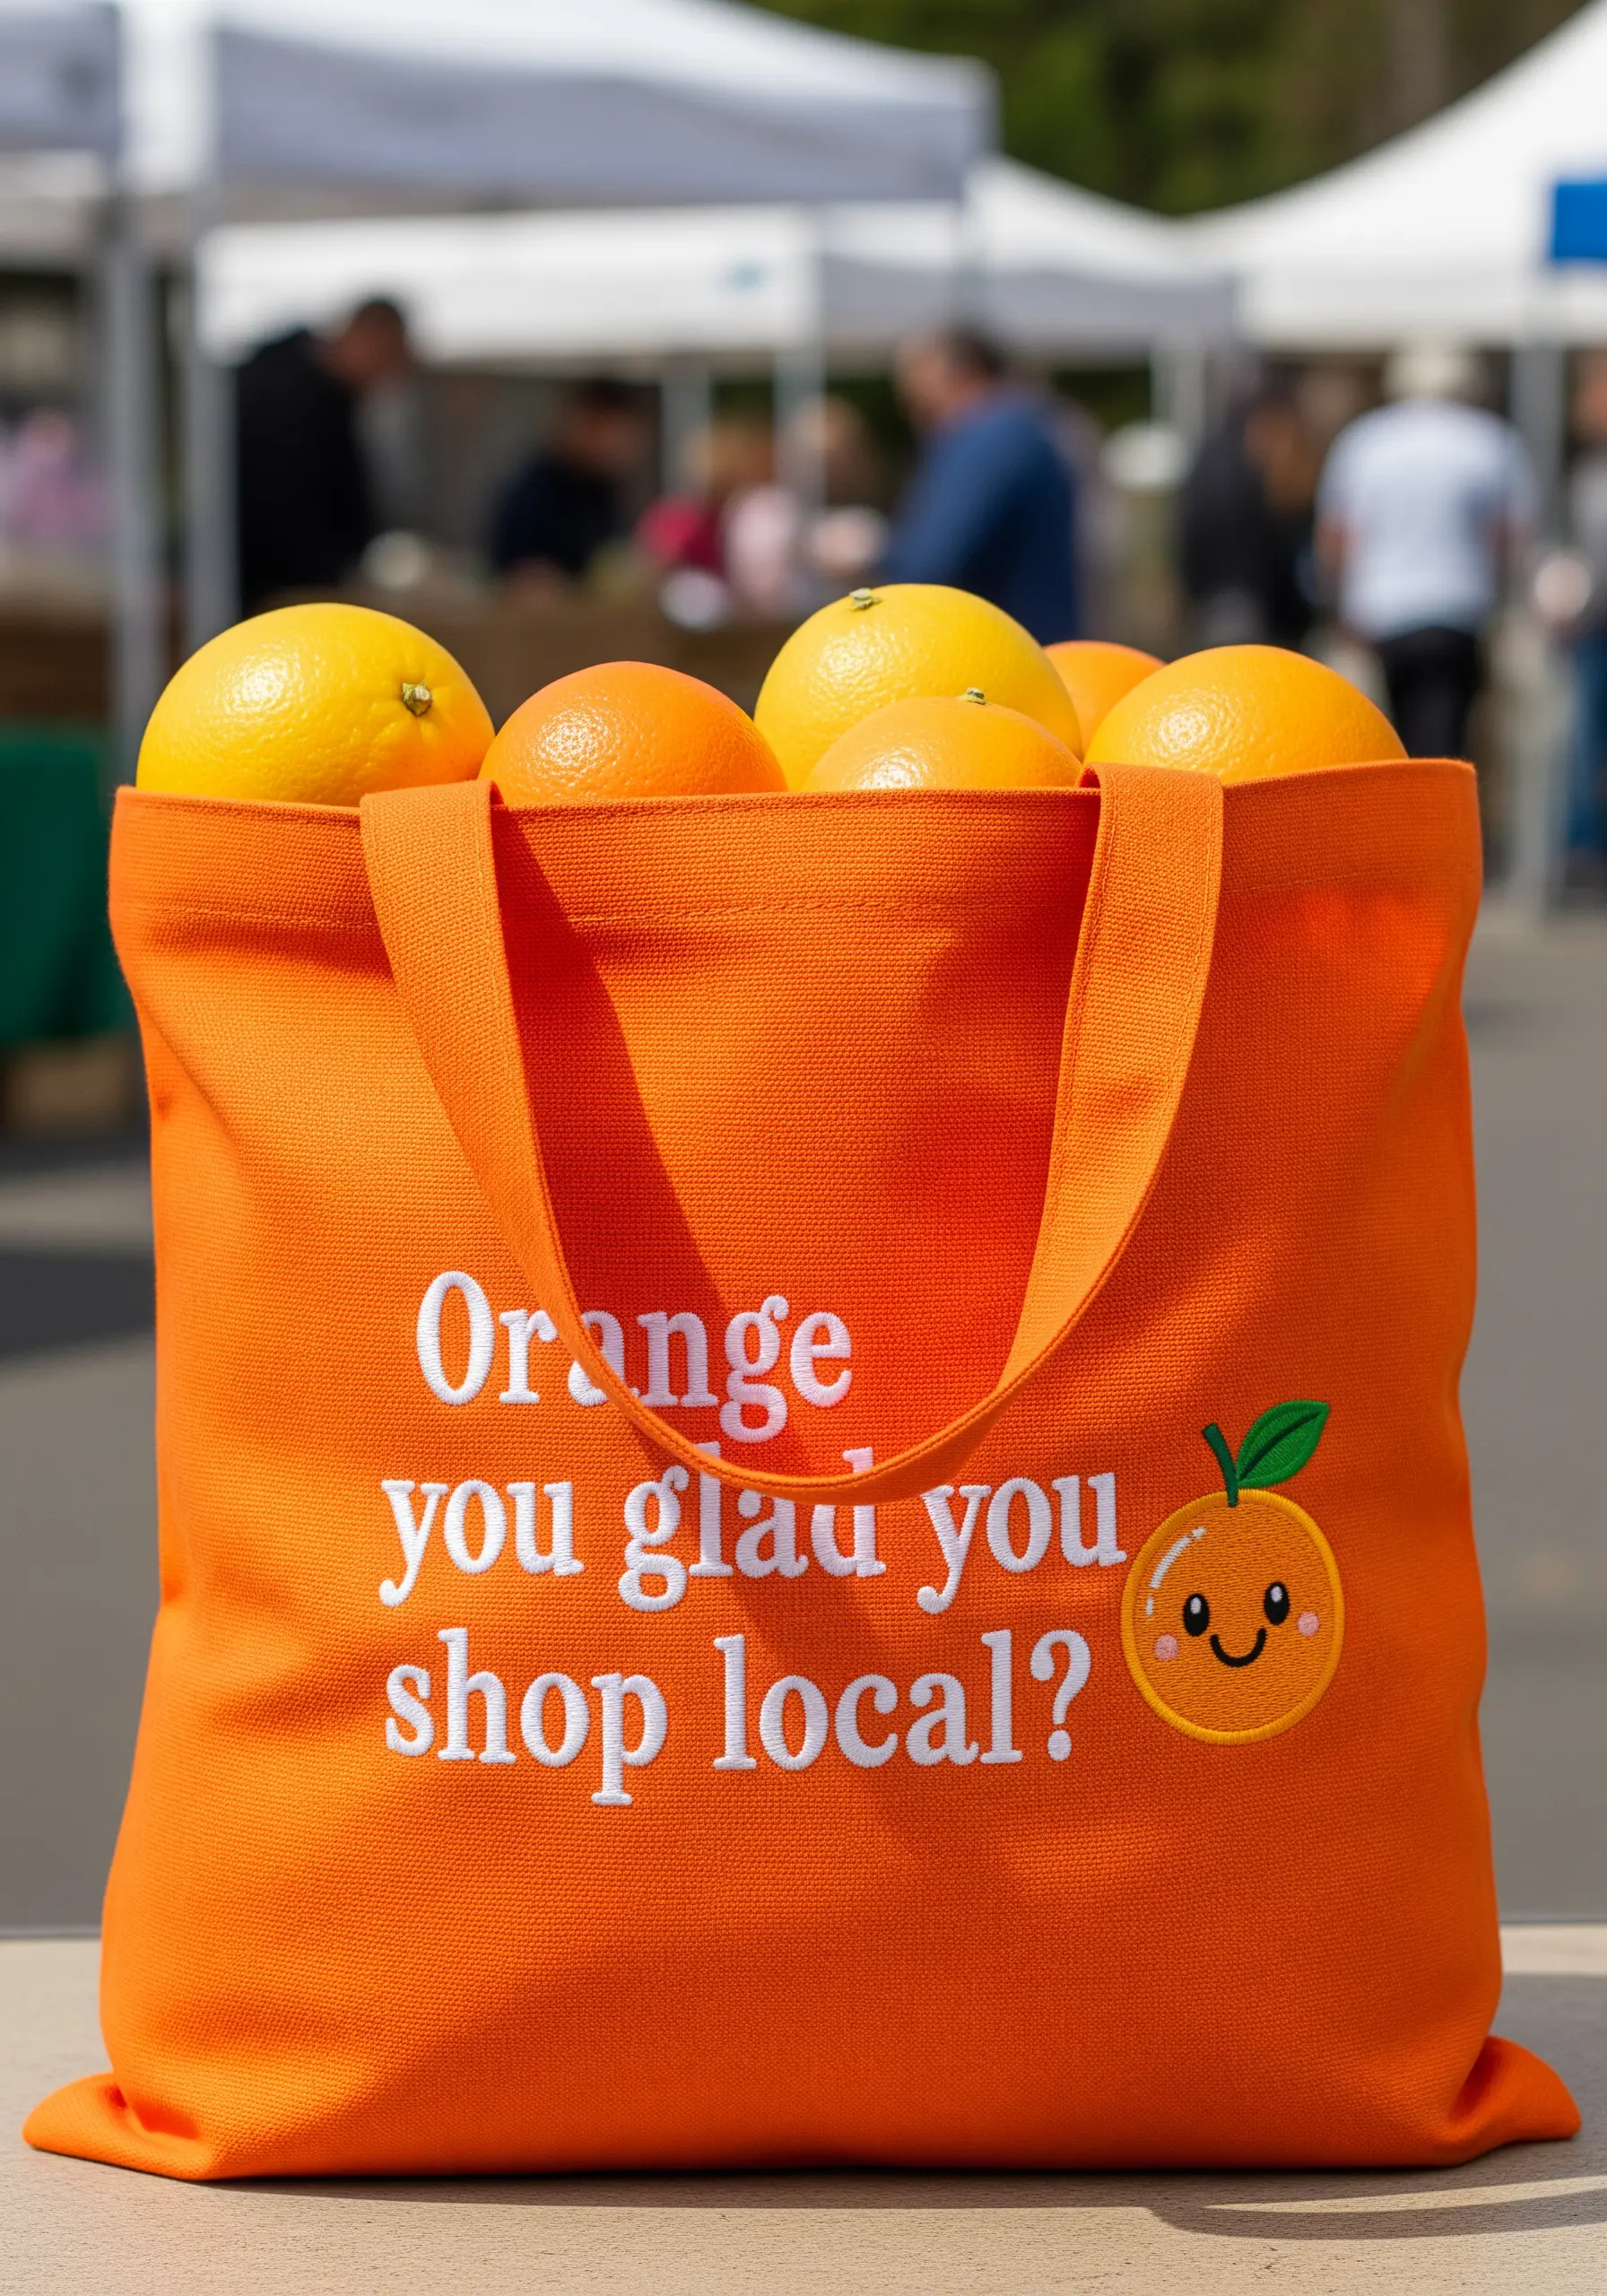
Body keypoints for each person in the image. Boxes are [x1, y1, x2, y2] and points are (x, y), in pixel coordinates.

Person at [1316, 343, 1533, 759]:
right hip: (1459, 609)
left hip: (1381, 612)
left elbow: (1337, 536)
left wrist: (1335, 606)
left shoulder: (1365, 441)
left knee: (1384, 740)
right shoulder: (1490, 441)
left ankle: (1402, 819)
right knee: (1446, 738)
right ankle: (1433, 819)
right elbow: (1507, 538)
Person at [883, 328, 1077, 644]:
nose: (908, 398)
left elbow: (931, 562)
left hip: (999, 650)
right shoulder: (1030, 424)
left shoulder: (989, 437)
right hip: (1036, 637)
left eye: (916, 382)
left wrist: (871, 553)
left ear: (959, 372)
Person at [235, 298, 413, 612]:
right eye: (388, 360)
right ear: (365, 339)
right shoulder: (286, 397)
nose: (384, 379)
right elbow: (280, 504)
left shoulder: (330, 398)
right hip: (273, 590)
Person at [1179, 382, 1316, 648]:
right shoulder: (1257, 467)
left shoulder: (1210, 456)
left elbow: (1187, 534)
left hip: (1217, 599)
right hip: (1251, 600)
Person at [489, 378, 648, 588]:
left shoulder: (605, 488)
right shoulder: (533, 490)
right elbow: (520, 573)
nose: (613, 443)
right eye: (604, 430)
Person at [1560, 351, 1607, 881]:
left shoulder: (1590, 476)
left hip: (1594, 621)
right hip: (1593, 625)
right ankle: (1583, 843)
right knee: (1584, 734)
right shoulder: (1586, 473)